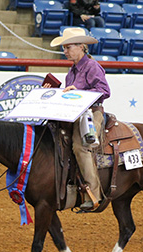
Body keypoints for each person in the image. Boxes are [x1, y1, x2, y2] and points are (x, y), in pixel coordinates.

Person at [46, 28, 111, 210]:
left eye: (68, 47)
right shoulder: (71, 72)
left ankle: (94, 195)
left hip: (92, 113)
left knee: (81, 147)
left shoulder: (92, 66)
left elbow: (105, 91)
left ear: (82, 47)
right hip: (75, 113)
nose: (65, 51)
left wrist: (80, 92)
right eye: (64, 48)